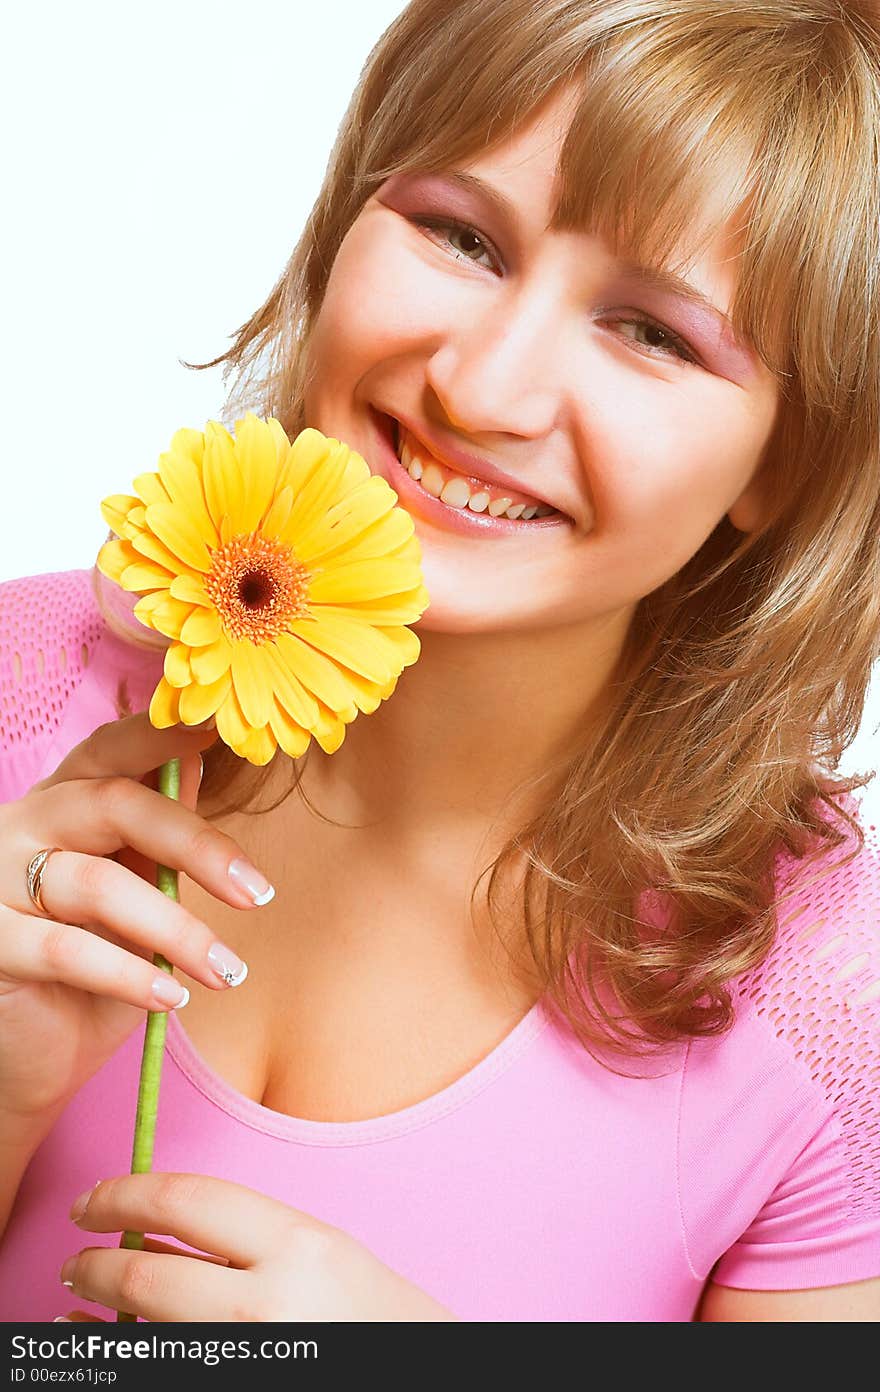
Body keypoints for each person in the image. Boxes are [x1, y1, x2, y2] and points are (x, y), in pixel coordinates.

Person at [1, 0, 879, 1324]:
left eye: (653, 331)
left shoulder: (831, 998)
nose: (482, 390)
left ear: (786, 464)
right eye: (462, 237)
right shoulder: (22, 685)